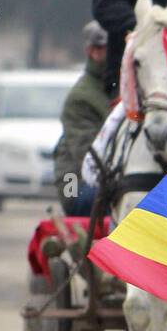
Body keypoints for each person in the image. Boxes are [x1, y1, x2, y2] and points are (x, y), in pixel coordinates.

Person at [53, 21, 115, 217]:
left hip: (109, 182)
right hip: (76, 186)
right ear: (93, 51)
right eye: (112, 48)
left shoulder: (124, 87)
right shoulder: (81, 98)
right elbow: (91, 159)